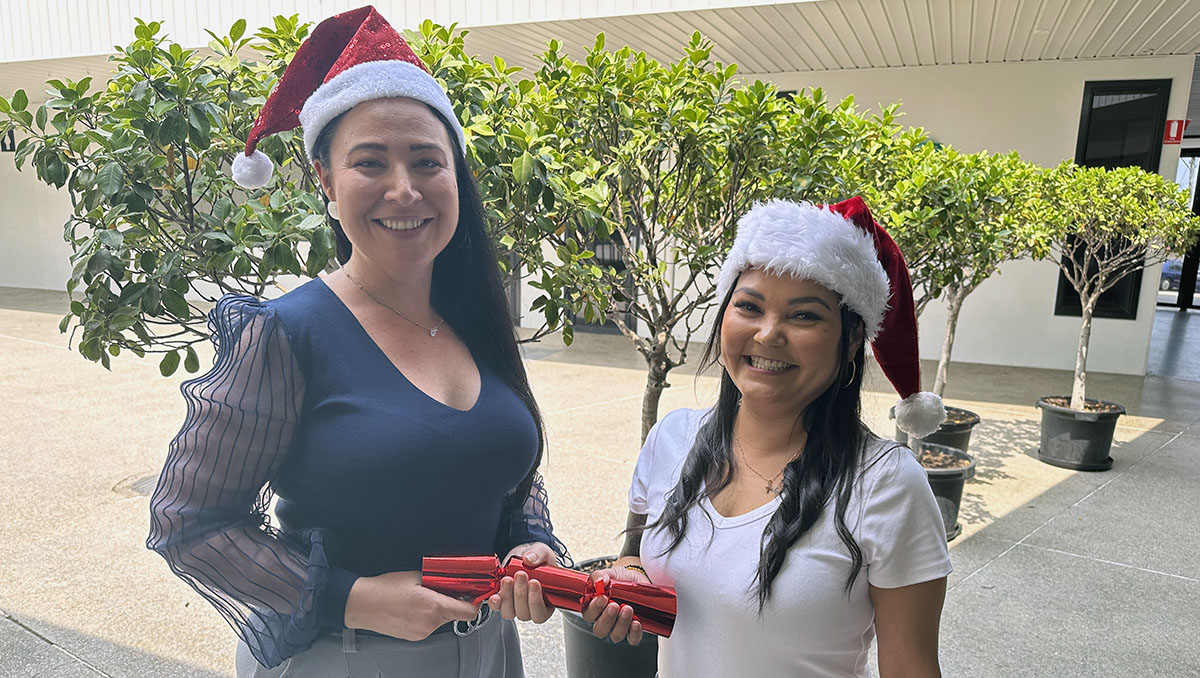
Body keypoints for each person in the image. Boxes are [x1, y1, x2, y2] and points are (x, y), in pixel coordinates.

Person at [146, 7, 568, 677]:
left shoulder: (475, 319)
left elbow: (505, 471)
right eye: (370, 162)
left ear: (455, 174)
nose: (404, 189)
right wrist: (353, 598)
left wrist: (531, 545)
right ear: (325, 181)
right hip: (343, 659)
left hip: (490, 653)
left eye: (427, 161)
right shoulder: (285, 333)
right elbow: (187, 524)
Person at [583, 197, 953, 677]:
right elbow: (633, 555)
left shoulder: (885, 484)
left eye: (804, 316)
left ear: (853, 338)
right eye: (749, 307)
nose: (768, 334)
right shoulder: (672, 438)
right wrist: (626, 580)